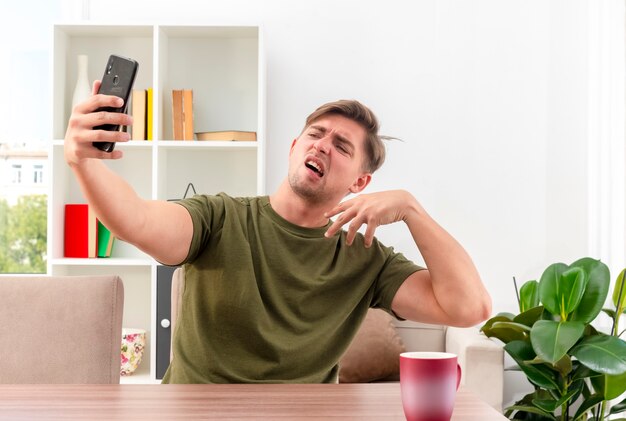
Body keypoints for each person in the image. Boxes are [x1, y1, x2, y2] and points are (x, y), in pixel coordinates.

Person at [65, 82, 492, 384]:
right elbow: (134, 220)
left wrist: (413, 210)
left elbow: (470, 308)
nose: (322, 145)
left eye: (341, 147)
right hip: (194, 413)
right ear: (294, 148)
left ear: (360, 183)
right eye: (315, 134)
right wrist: (85, 161)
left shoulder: (365, 256)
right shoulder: (219, 217)